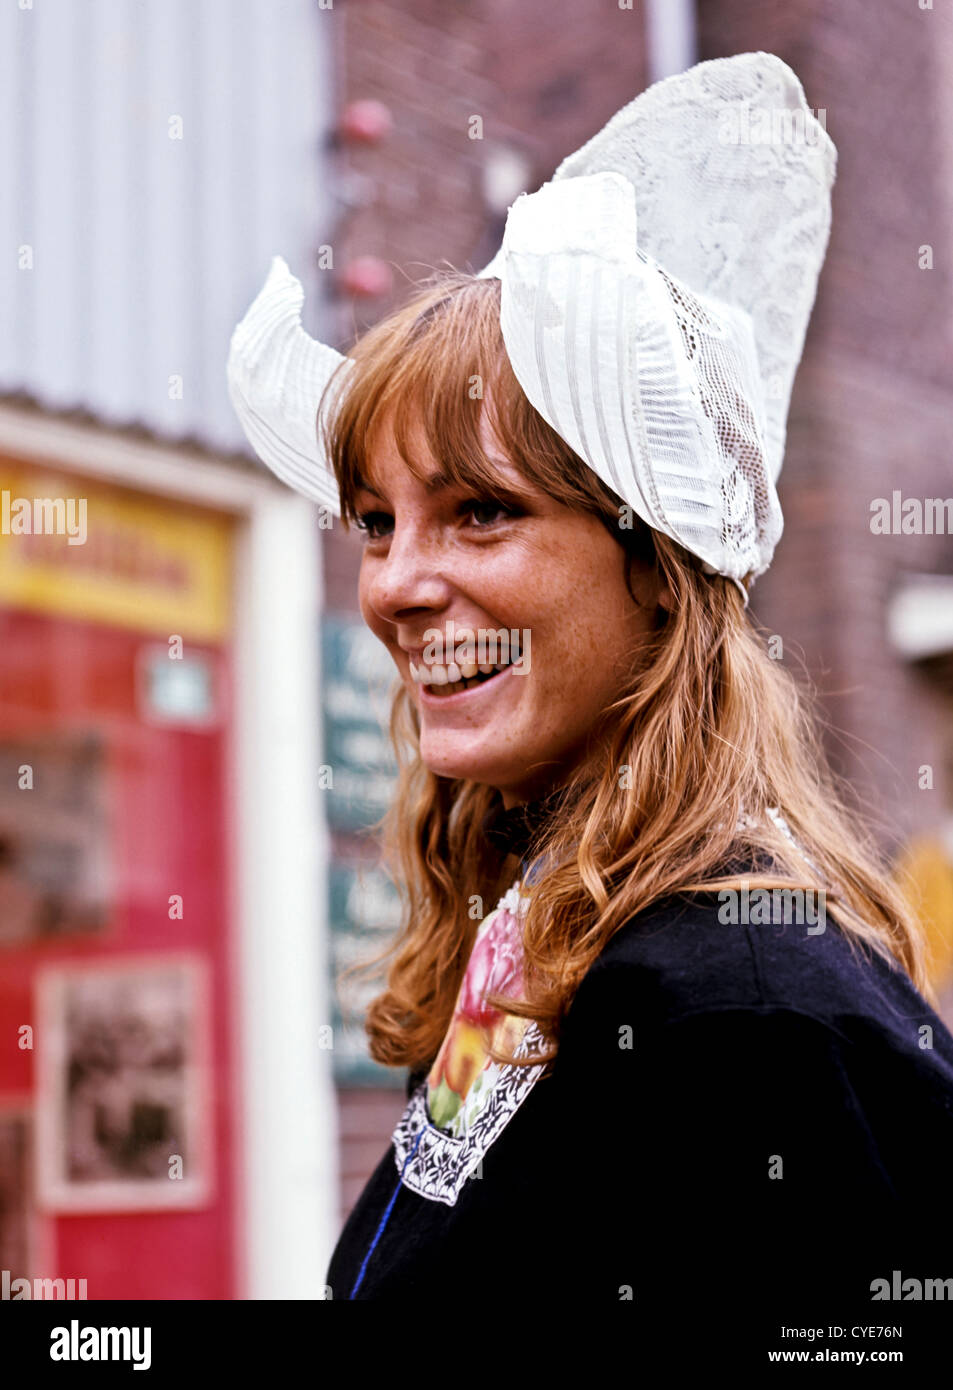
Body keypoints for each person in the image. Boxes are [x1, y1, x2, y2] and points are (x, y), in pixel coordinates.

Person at [227, 53, 953, 1324]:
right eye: (376, 522)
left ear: (659, 574)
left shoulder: (750, 1021)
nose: (395, 583)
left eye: (481, 512)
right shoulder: (538, 947)